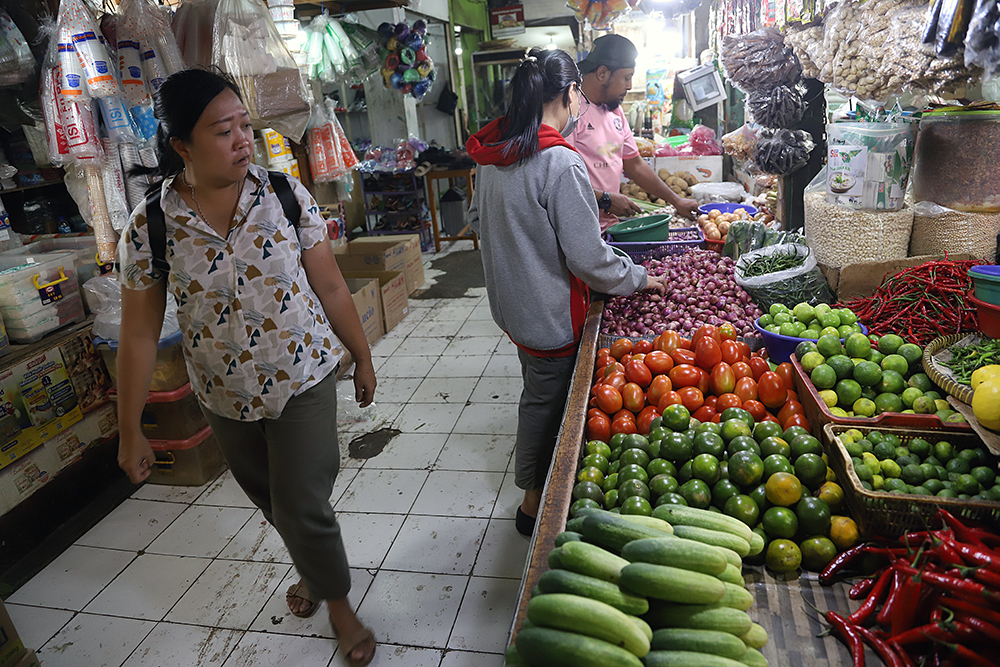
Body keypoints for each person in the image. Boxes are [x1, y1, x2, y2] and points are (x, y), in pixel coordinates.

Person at [115, 69, 377, 667]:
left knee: (301, 503)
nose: (241, 141)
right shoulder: (151, 224)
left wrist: (360, 355)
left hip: (301, 376)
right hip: (223, 393)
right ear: (181, 146)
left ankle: (338, 605)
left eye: (244, 127)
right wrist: (130, 429)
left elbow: (331, 284)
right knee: (269, 499)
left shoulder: (284, 194)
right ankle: (312, 573)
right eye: (221, 130)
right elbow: (137, 334)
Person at [466, 48, 668, 536]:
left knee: (536, 387)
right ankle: (533, 503)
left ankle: (539, 490)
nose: (581, 103)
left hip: (514, 307)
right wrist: (639, 278)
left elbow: (478, 220)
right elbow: (587, 258)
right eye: (578, 94)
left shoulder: (493, 157)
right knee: (546, 403)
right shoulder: (559, 160)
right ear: (569, 93)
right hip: (551, 315)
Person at [566, 34, 700, 231]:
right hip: (579, 229)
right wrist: (605, 199)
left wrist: (676, 201)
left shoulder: (615, 111)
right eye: (627, 77)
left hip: (609, 228)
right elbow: (561, 179)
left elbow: (635, 164)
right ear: (602, 73)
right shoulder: (570, 109)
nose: (629, 86)